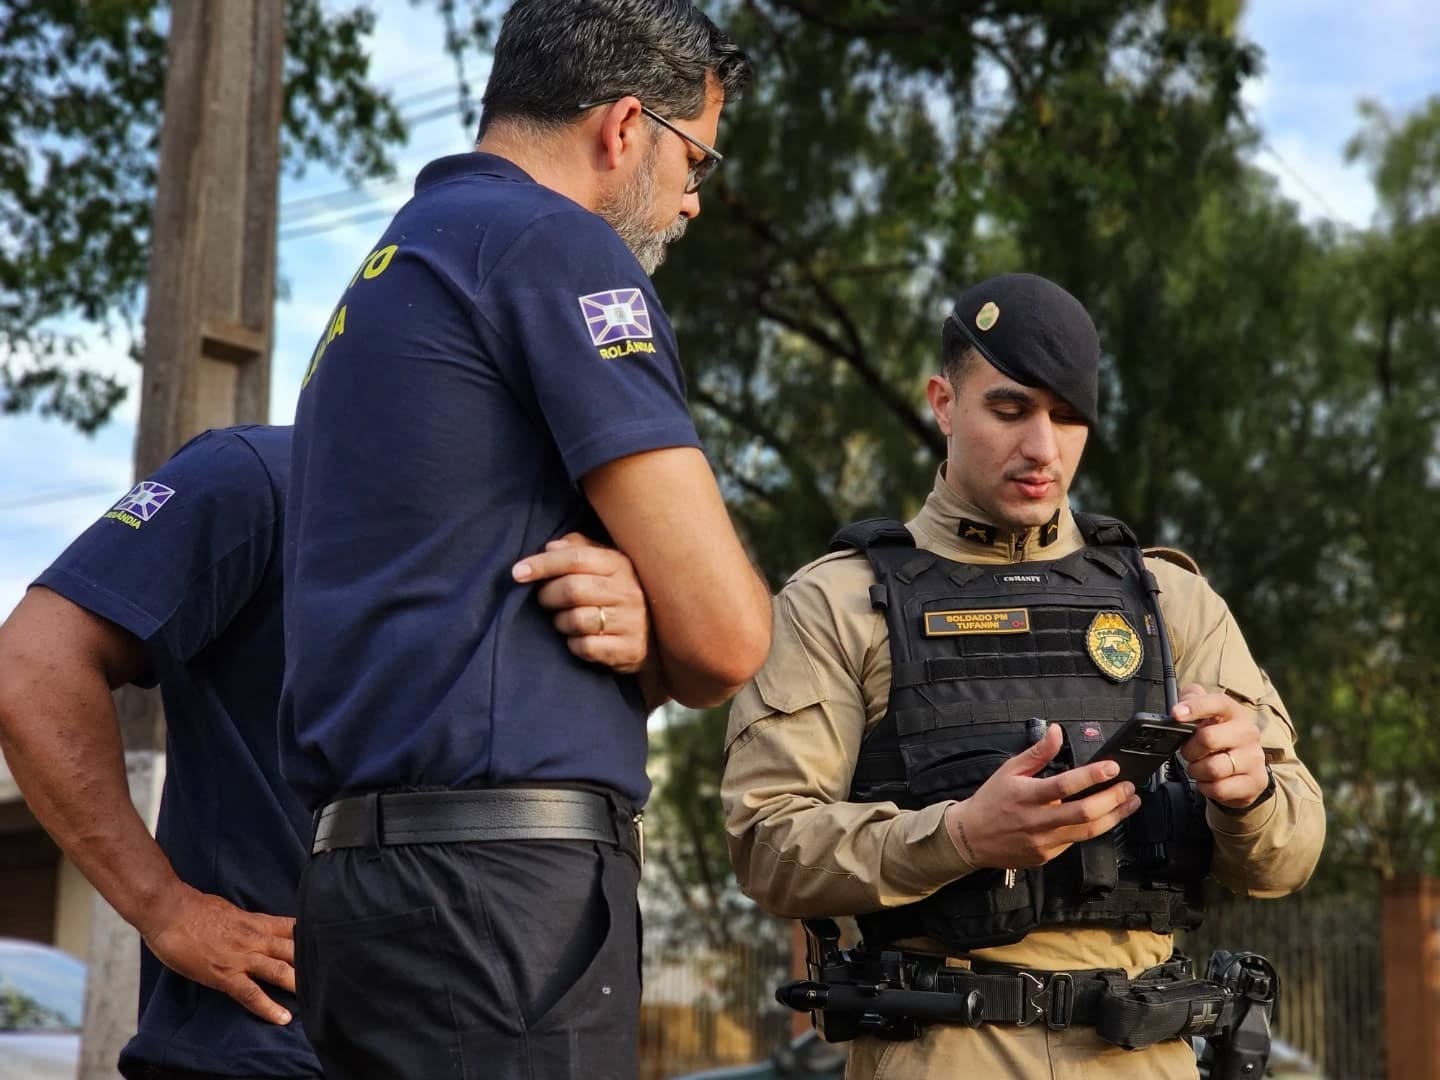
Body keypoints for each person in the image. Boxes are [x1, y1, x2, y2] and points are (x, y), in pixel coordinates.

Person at [280, 2, 771, 1077]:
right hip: (497, 908)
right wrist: (670, 626)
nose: (693, 199)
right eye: (695, 158)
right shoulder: (559, 246)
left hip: (363, 892)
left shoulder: (398, 267)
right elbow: (731, 640)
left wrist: (643, 615)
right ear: (626, 127)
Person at [722, 273, 1326, 1079]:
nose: (1043, 448)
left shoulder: (1171, 601)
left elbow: (1288, 855)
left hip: (1142, 1055)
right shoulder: (836, 602)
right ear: (943, 403)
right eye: (1010, 410)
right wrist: (959, 838)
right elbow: (768, 844)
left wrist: (1248, 795)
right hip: (941, 1054)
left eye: (1068, 417)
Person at [0, 425, 657, 1080]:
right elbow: (30, 669)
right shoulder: (256, 475)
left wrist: (639, 631)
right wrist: (165, 909)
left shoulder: (564, 524)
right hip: (269, 1040)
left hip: (503, 1035)